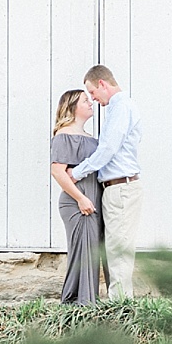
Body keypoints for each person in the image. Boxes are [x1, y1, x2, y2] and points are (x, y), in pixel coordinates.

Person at [69, 64, 143, 299]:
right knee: (114, 249)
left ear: (102, 83)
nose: (93, 99)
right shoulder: (118, 108)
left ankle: (121, 307)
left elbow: (108, 148)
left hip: (121, 188)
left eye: (92, 93)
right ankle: (120, 302)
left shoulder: (120, 106)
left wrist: (78, 172)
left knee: (118, 250)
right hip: (117, 187)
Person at [49, 88, 104, 304]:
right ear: (72, 107)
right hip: (77, 203)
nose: (91, 103)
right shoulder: (64, 136)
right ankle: (76, 301)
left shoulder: (91, 138)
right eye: (85, 100)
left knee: (91, 250)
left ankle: (87, 300)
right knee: (82, 251)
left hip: (93, 199)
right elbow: (57, 171)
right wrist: (80, 198)